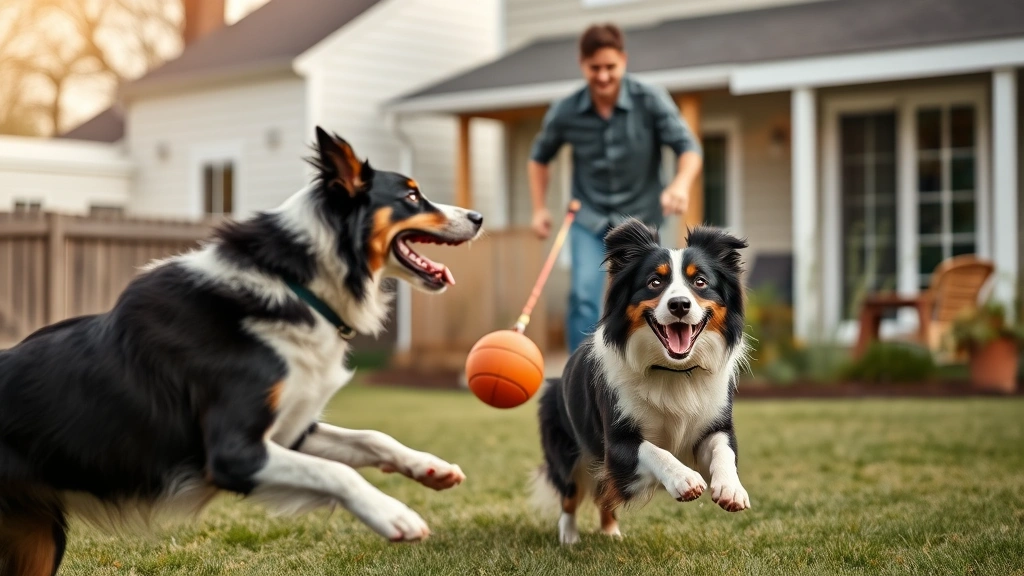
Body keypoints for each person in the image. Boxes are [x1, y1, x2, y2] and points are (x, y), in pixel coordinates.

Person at [528, 23, 703, 353]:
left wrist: (680, 184)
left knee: (652, 294)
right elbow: (539, 158)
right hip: (588, 219)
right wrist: (539, 208)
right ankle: (581, 372)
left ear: (623, 60)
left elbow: (689, 148)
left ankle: (651, 365)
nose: (604, 76)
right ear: (582, 65)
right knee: (583, 295)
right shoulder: (566, 110)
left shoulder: (650, 100)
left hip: (643, 222)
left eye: (610, 66)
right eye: (595, 68)